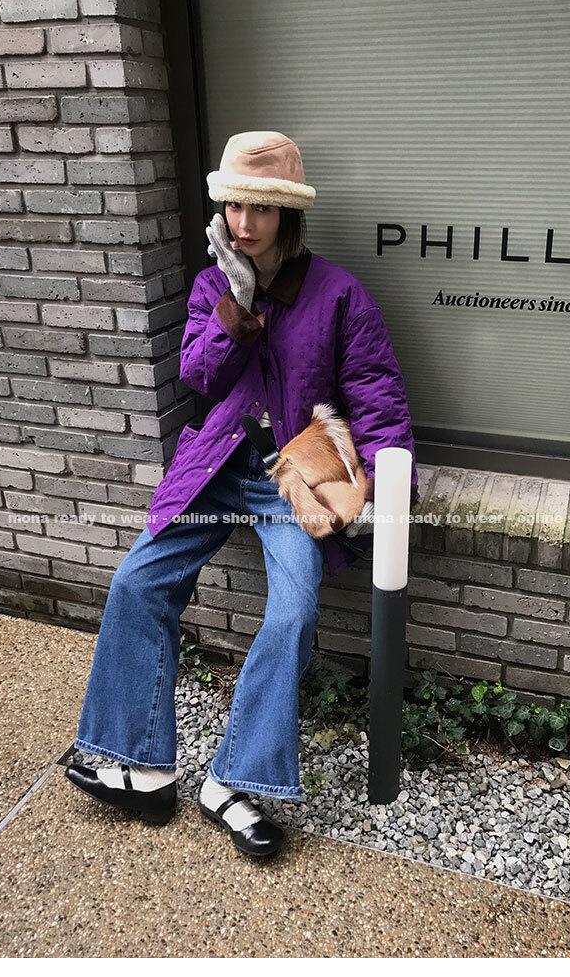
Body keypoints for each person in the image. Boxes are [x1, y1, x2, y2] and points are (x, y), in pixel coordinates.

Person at [65, 131, 420, 858]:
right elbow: (199, 377)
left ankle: (233, 782)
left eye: (260, 207)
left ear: (288, 214)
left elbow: (379, 402)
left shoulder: (340, 295)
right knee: (137, 581)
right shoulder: (212, 286)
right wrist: (236, 302)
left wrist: (386, 489)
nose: (244, 222)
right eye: (233, 206)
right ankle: (144, 767)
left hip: (292, 480)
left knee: (294, 611)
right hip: (217, 465)